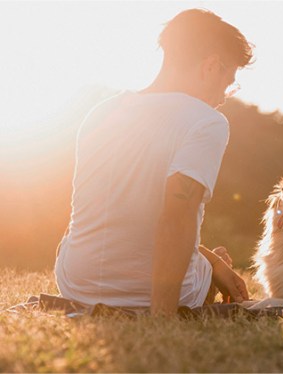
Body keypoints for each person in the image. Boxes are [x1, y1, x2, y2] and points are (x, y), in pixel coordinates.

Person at [54, 9, 253, 316]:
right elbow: (178, 216)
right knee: (209, 259)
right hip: (148, 295)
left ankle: (209, 263)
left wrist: (210, 261)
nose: (225, 96)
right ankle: (208, 270)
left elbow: (128, 220)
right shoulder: (207, 122)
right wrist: (163, 317)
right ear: (211, 66)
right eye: (229, 82)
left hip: (76, 284)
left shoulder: (101, 113)